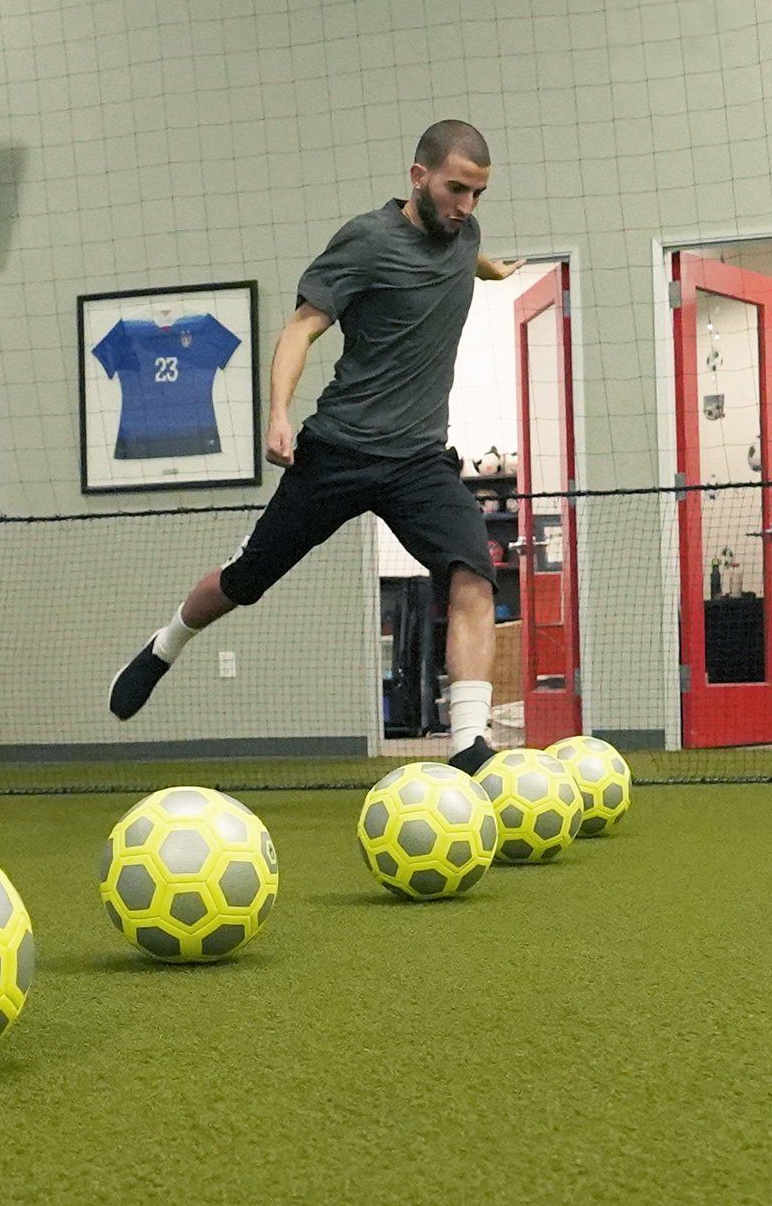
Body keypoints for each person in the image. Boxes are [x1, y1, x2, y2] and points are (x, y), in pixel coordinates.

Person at [108, 119, 520, 775]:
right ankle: (165, 644)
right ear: (418, 177)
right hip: (338, 450)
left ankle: (471, 745)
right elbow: (299, 330)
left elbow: (457, 251)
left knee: (473, 573)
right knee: (246, 581)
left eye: (479, 195)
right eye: (456, 190)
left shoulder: (463, 230)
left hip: (418, 459)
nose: (467, 206)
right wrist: (277, 413)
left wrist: (489, 268)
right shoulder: (365, 240)